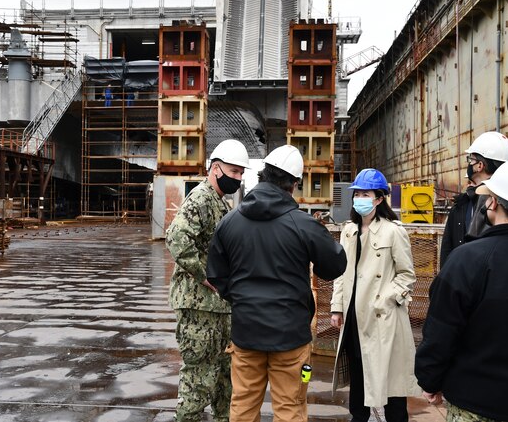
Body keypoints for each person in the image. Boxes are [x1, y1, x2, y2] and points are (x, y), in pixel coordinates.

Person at [206, 145, 347, 422]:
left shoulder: (229, 223)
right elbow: (335, 265)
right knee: (290, 409)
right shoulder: (304, 225)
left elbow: (216, 275)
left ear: (262, 177)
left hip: (246, 334)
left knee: (243, 408)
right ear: (293, 184)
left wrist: (243, 299)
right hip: (290, 336)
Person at [415, 157, 508, 421]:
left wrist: (430, 380)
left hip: (476, 404)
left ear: (493, 202)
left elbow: (441, 332)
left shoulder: (465, 261)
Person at [165, 138, 250, 422]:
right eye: (234, 172)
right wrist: (207, 276)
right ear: (215, 169)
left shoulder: (219, 203)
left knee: (225, 380)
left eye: (241, 173)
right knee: (199, 379)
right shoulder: (201, 198)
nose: (237, 178)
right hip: (199, 306)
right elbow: (176, 239)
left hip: (217, 308)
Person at [330, 168, 421, 422]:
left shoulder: (393, 231)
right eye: (357, 193)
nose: (360, 198)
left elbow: (407, 275)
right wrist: (337, 307)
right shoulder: (349, 231)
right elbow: (342, 272)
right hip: (354, 317)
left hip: (382, 320)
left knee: (391, 385)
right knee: (359, 377)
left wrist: (385, 299)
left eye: (365, 194)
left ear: (379, 198)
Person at [439, 131, 508, 266]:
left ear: (479, 165)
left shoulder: (503, 203)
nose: (469, 164)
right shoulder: (462, 204)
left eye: (471, 159)